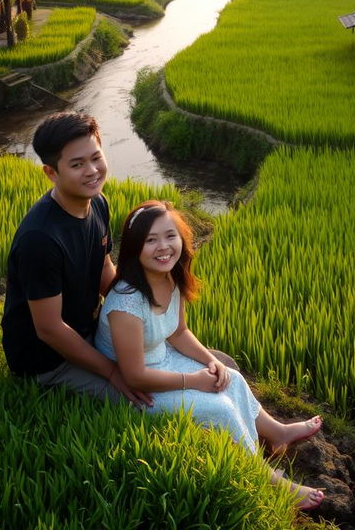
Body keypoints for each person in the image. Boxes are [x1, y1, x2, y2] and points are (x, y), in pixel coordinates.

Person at [95, 199, 325, 512]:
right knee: (220, 410)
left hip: (162, 360)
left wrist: (211, 361)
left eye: (170, 235)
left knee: (234, 381)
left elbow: (178, 333)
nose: (163, 247)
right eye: (151, 240)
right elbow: (133, 375)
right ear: (135, 248)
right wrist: (194, 380)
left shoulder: (170, 277)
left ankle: (277, 433)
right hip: (136, 388)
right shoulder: (126, 301)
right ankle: (267, 479)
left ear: (181, 238)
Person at [1, 111, 148, 407]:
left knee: (176, 363)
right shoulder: (40, 239)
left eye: (96, 157)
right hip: (47, 360)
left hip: (87, 332)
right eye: (77, 164)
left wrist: (146, 309)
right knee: (147, 399)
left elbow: (104, 268)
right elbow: (50, 329)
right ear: (51, 173)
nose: (92, 170)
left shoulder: (97, 202)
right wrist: (111, 371)